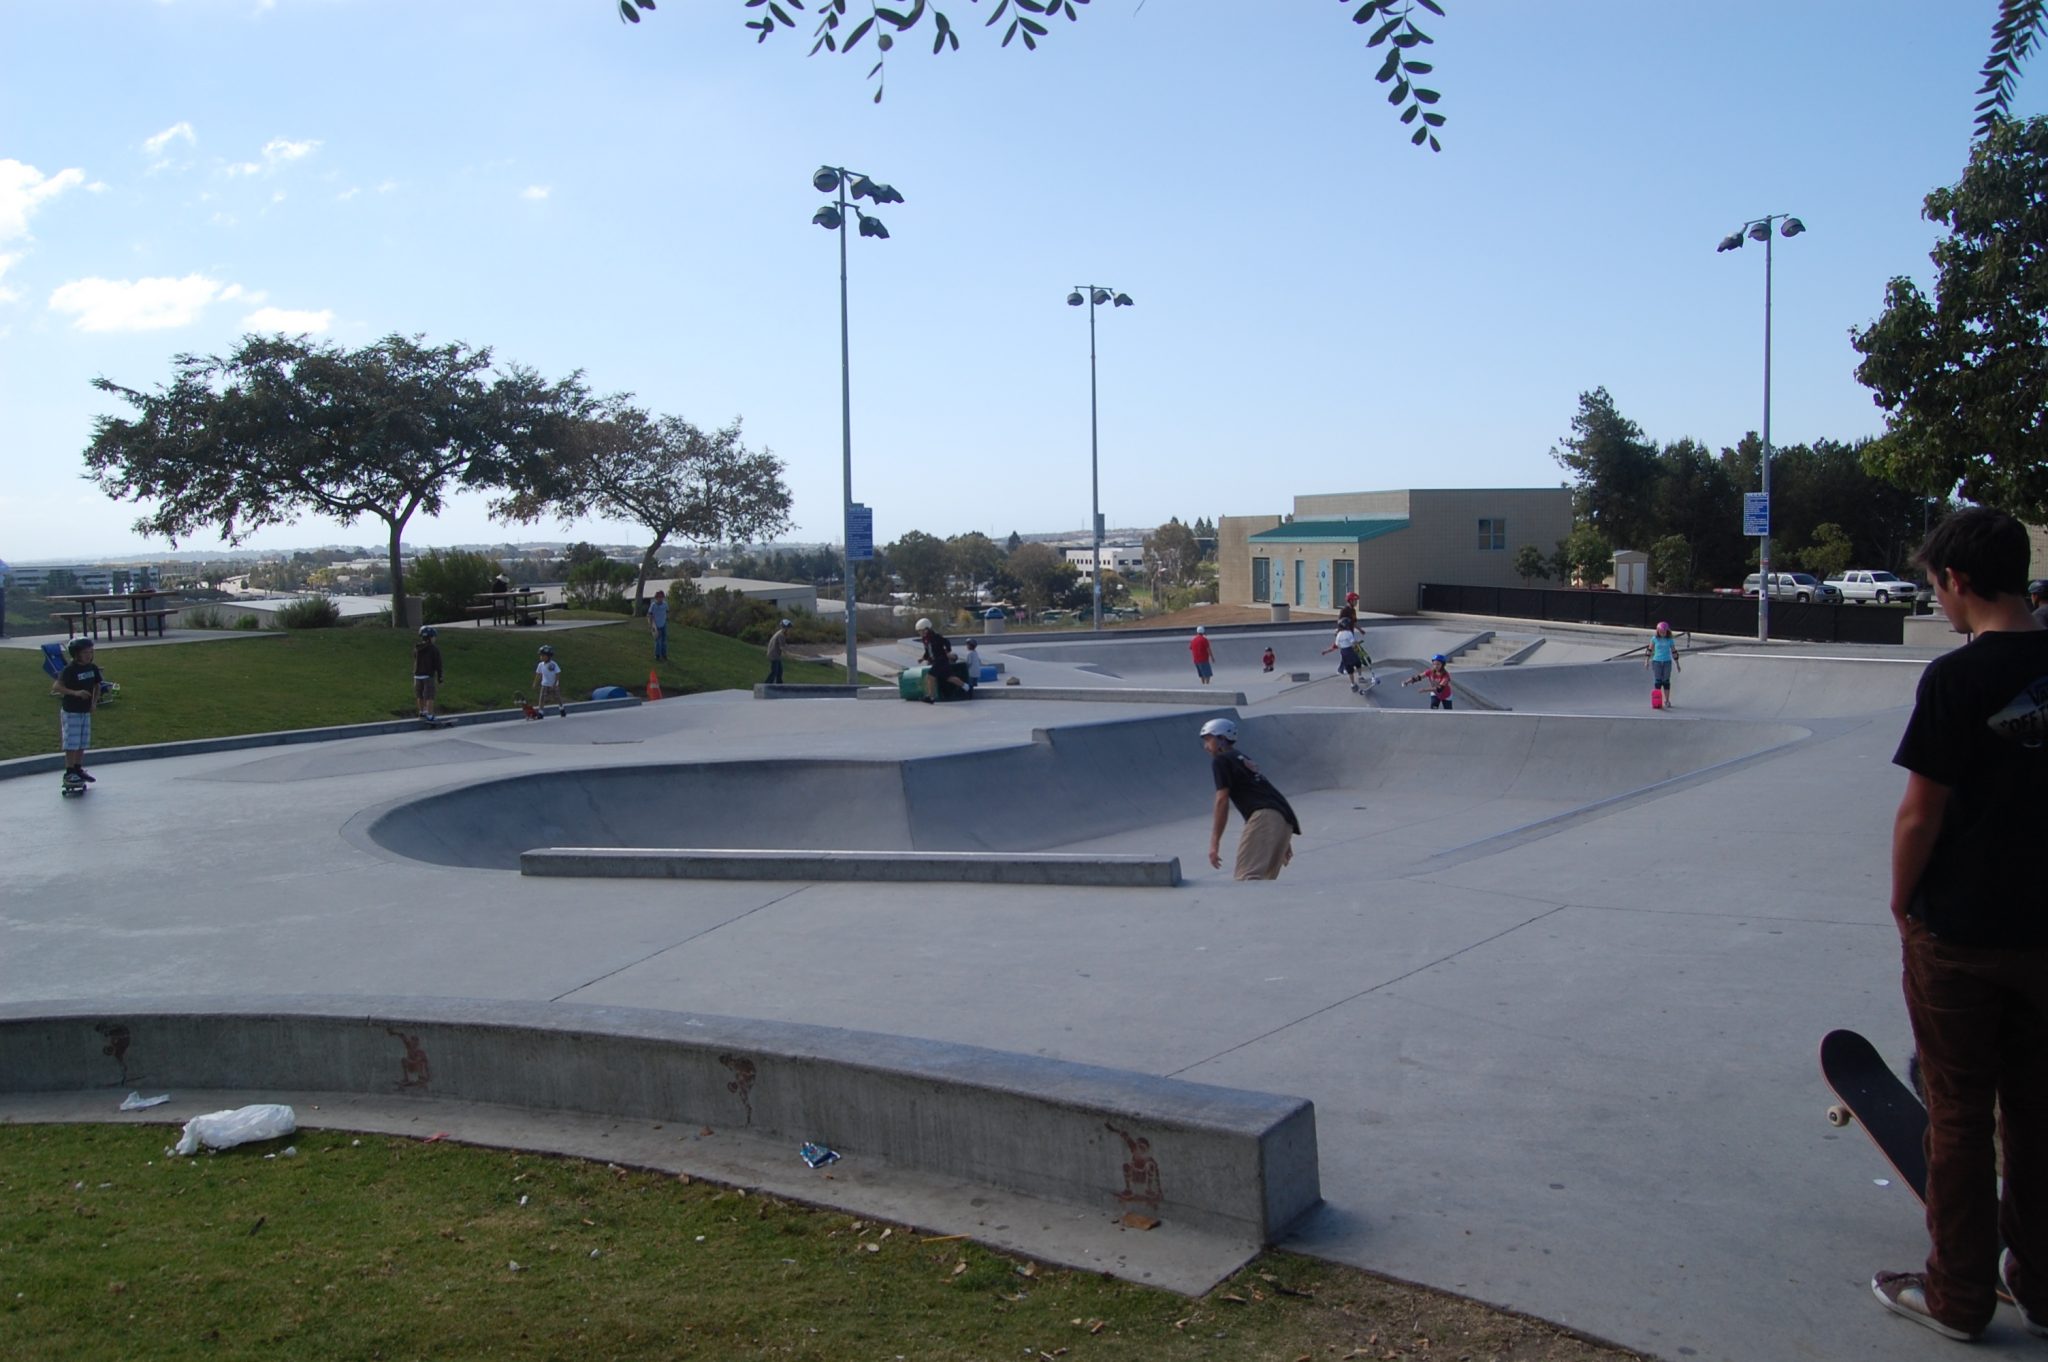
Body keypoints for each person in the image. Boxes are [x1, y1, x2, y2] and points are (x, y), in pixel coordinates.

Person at [1869, 506, 2048, 1342]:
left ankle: (1959, 1296)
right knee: (2040, 1112)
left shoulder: (1954, 680)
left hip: (1962, 934)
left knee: (1960, 1115)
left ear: (1959, 582)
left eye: (1935, 586)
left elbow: (1919, 815)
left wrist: (1904, 901)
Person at [1200, 716, 1302, 880]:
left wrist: (1214, 843)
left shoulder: (1221, 760)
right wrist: (1280, 834)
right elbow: (1266, 791)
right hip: (1282, 818)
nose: (1205, 746)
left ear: (1221, 739)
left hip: (1266, 817)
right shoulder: (1240, 758)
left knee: (1247, 879)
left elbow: (1221, 801)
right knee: (1263, 882)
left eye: (1208, 740)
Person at [51, 636, 104, 789]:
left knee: (82, 741)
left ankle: (78, 768)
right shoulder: (70, 669)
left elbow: (97, 686)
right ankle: (69, 771)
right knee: (72, 742)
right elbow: (56, 687)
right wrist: (75, 693)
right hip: (71, 710)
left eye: (90, 652)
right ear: (76, 654)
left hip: (85, 710)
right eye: (85, 652)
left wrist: (94, 703)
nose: (89, 655)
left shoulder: (92, 668)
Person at [915, 617, 968, 703]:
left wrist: (947, 651)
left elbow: (946, 642)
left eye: (921, 631)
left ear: (927, 629)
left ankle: (931, 697)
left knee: (930, 676)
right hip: (939, 661)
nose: (920, 633)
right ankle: (967, 687)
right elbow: (928, 651)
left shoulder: (936, 637)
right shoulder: (925, 640)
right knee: (949, 678)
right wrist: (923, 658)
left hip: (941, 660)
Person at [1644, 621, 1681, 708]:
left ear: (1667, 631)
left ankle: (1667, 700)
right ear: (1658, 631)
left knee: (1666, 681)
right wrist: (1646, 661)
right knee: (1658, 681)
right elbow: (1649, 650)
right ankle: (1657, 700)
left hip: (1667, 662)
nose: (1662, 633)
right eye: (1660, 632)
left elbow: (1674, 652)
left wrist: (1677, 664)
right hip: (1657, 661)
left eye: (1664, 632)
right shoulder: (1654, 639)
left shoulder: (1670, 640)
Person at [412, 626, 444, 724]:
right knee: (429, 696)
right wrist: (440, 678)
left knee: (420, 695)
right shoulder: (434, 649)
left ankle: (422, 712)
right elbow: (438, 664)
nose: (435, 638)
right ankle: (430, 715)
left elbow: (415, 658)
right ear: (430, 637)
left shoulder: (417, 648)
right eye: (434, 637)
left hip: (417, 676)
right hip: (428, 676)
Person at [1323, 625, 1367, 694]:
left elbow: (1334, 647)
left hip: (1344, 653)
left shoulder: (1339, 637)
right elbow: (1353, 643)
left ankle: (1352, 684)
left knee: (1350, 667)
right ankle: (1359, 677)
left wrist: (1325, 651)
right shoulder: (1347, 633)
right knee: (1357, 663)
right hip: (1349, 651)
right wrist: (1358, 642)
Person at [534, 644, 564, 717]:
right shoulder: (540, 665)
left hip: (553, 684)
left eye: (543, 656)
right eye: (541, 655)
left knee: (557, 697)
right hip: (544, 684)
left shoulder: (553, 665)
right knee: (542, 698)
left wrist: (555, 683)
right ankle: (541, 712)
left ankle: (561, 709)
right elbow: (538, 674)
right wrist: (535, 683)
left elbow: (557, 673)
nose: (541, 657)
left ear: (549, 656)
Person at [765, 618, 790, 685]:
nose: (788, 630)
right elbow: (782, 648)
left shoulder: (779, 633)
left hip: (775, 655)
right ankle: (766, 685)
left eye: (789, 628)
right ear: (784, 627)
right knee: (774, 672)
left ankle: (780, 685)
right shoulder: (781, 635)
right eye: (787, 628)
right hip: (774, 655)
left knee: (779, 672)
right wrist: (788, 655)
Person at [649, 589, 669, 662]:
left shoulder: (665, 604)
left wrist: (666, 618)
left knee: (664, 641)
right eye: (659, 597)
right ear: (656, 598)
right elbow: (650, 615)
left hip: (663, 624)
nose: (660, 599)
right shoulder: (653, 605)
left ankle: (664, 655)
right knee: (658, 641)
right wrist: (651, 625)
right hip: (656, 625)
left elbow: (667, 611)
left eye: (661, 597)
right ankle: (657, 655)